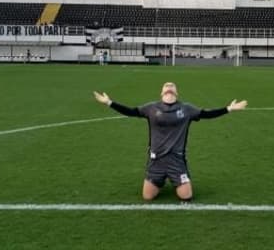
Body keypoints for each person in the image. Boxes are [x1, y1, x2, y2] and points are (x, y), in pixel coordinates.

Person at [93, 82, 247, 202]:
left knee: (186, 196)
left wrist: (228, 109)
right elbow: (131, 111)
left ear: (176, 93)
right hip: (156, 160)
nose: (169, 88)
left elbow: (207, 114)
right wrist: (109, 102)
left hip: (176, 160)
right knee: (147, 197)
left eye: (172, 87)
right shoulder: (151, 108)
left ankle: (175, 180)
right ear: (161, 93)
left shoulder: (186, 109)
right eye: (166, 87)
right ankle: (159, 181)